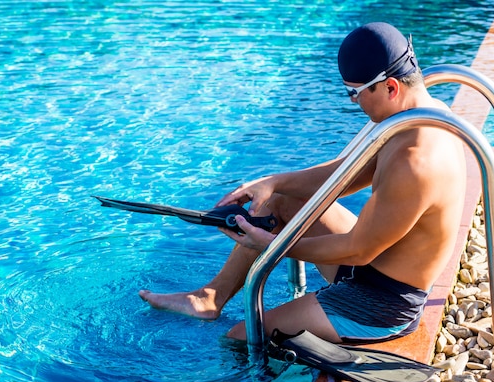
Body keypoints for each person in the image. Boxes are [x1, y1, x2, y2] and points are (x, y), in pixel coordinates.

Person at [139, 22, 467, 344]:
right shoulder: (415, 115)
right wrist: (272, 182)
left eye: (354, 93)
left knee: (240, 336)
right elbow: (345, 175)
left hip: (382, 302)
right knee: (276, 201)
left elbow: (359, 250)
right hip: (369, 266)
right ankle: (209, 298)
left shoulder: (417, 159)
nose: (353, 102)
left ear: (390, 87)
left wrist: (271, 246)